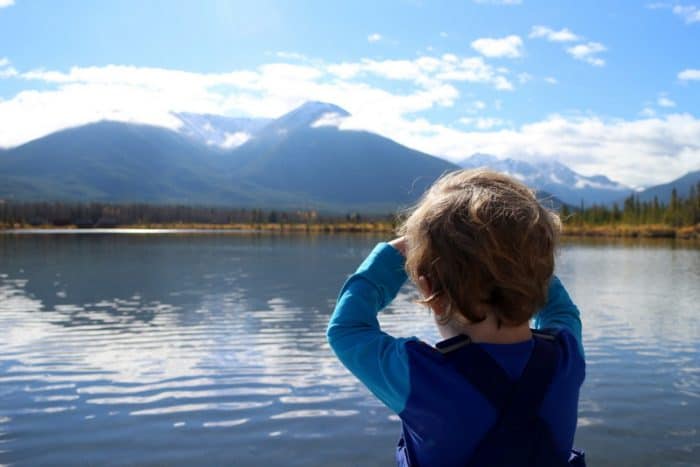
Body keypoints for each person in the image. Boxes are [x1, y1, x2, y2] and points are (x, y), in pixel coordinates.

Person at [327, 169, 585, 466]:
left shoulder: (419, 375)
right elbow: (561, 310)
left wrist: (391, 254)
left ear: (430, 292)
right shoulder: (566, 357)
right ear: (539, 275)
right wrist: (523, 259)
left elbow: (346, 329)